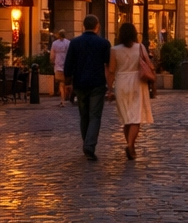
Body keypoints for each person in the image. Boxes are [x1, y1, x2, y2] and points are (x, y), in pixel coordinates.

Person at [64, 16, 110, 159]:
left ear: (84, 26)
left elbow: (68, 64)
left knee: (84, 115)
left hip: (80, 83)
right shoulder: (103, 43)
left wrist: (67, 83)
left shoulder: (75, 43)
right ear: (97, 26)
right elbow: (108, 65)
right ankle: (89, 145)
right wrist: (110, 84)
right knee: (95, 115)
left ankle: (87, 143)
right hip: (97, 83)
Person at [107, 22, 153, 160]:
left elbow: (111, 70)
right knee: (135, 117)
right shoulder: (140, 47)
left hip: (121, 82)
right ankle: (130, 145)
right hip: (137, 82)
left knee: (126, 118)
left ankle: (130, 144)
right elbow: (149, 65)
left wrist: (110, 89)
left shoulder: (114, 50)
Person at [49, 31, 71, 105]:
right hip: (66, 64)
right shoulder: (68, 43)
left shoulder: (55, 43)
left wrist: (52, 61)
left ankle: (62, 99)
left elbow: (52, 55)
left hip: (58, 64)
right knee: (65, 82)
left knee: (61, 83)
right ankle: (64, 97)